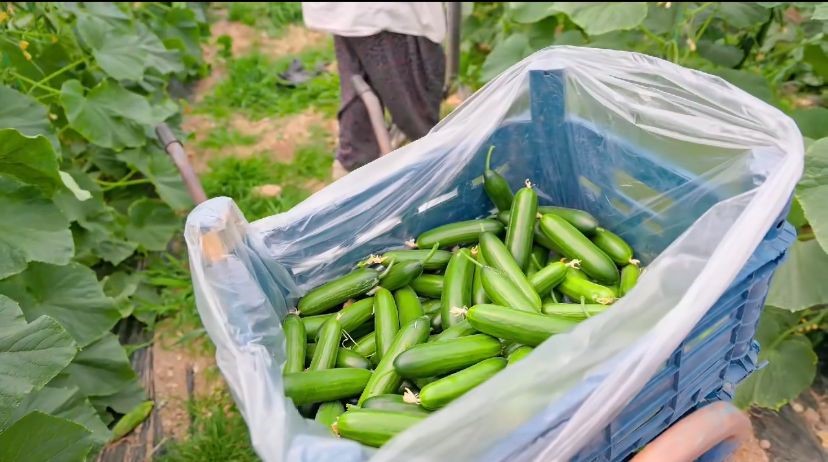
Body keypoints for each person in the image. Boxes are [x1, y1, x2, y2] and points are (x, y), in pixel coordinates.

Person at [301, 2, 446, 178]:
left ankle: (353, 179)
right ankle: (432, 176)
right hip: (388, 13)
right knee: (419, 116)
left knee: (360, 87)